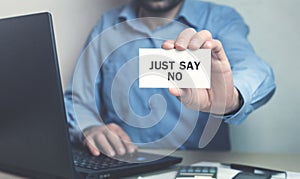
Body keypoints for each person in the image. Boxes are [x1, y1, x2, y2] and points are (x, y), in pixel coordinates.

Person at [64, 0, 276, 157]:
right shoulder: (107, 25)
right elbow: (77, 100)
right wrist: (89, 127)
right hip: (125, 163)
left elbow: (255, 68)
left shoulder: (218, 19)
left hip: (199, 166)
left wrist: (231, 97)